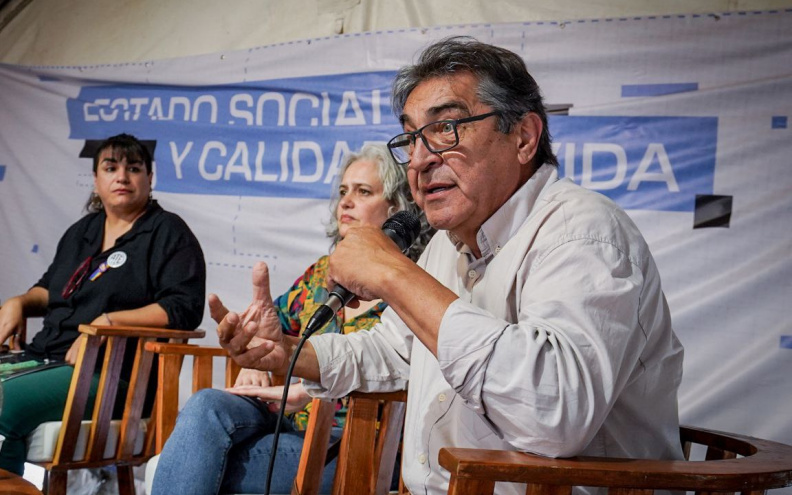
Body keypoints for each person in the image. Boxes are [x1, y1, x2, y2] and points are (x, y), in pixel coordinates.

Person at [214, 37, 685, 495]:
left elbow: (554, 412)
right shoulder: (446, 245)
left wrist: (393, 273)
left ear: (523, 137)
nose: (419, 160)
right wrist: (287, 353)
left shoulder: (584, 231)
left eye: (446, 129)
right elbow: (390, 351)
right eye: (411, 138)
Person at [152, 144, 430, 495]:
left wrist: (307, 391)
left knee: (191, 461)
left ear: (396, 209)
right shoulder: (319, 276)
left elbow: (416, 372)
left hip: (361, 442)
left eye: (363, 192)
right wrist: (256, 353)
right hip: (292, 422)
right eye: (343, 191)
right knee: (207, 405)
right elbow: (273, 328)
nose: (345, 202)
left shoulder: (413, 283)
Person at [0, 133, 206, 475]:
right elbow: (51, 289)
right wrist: (20, 301)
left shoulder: (168, 232)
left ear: (149, 178)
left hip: (112, 373)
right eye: (111, 168)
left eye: (133, 168)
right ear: (95, 179)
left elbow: (184, 307)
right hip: (43, 357)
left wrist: (109, 322)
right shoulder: (83, 230)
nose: (122, 176)